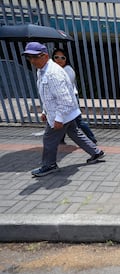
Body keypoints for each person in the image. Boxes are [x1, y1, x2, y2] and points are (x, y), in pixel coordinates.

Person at [22, 42, 105, 177]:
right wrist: (45, 111)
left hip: (61, 113)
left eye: (35, 57)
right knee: (74, 133)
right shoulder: (42, 70)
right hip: (62, 112)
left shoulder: (52, 74)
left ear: (45, 56)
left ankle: (49, 165)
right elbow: (47, 95)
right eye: (29, 58)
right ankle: (96, 152)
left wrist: (59, 118)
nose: (32, 61)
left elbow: (65, 99)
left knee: (49, 139)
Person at [52, 48, 98, 145]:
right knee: (64, 120)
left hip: (69, 100)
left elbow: (64, 87)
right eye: (56, 57)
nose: (59, 59)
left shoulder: (68, 70)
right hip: (63, 100)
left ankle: (92, 139)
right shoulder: (56, 70)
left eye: (62, 57)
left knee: (77, 121)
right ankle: (60, 139)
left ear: (66, 59)